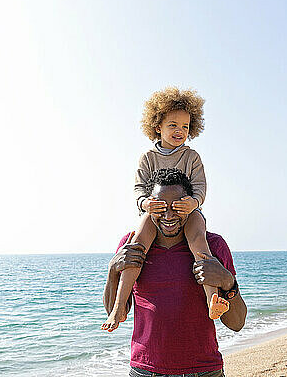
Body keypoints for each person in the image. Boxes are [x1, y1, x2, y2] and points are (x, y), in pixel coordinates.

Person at [102, 87, 229, 332]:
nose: (179, 131)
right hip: (155, 212)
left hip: (188, 212)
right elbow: (139, 188)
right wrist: (145, 204)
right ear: (157, 125)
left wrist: (193, 203)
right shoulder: (147, 157)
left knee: (199, 242)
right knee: (137, 244)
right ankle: (119, 306)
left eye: (185, 126)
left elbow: (200, 188)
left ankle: (211, 300)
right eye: (173, 125)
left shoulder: (191, 157)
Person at [103, 168, 247, 376]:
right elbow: (115, 313)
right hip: (145, 371)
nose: (168, 216)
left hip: (204, 371)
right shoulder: (132, 246)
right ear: (149, 206)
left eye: (177, 207)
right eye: (161, 207)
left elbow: (236, 324)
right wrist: (112, 271)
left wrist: (227, 281)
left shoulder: (213, 245)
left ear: (189, 205)